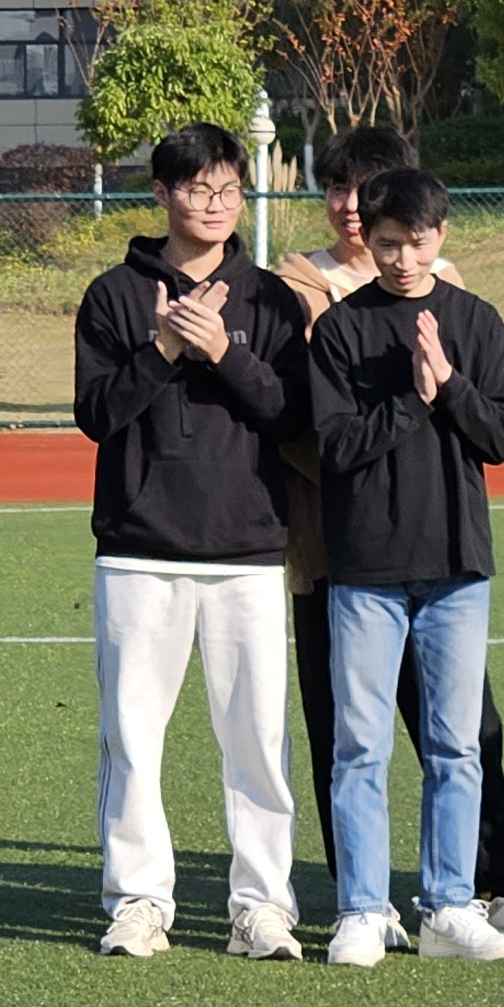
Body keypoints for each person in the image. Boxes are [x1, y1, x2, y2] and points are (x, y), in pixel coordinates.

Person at [277, 126, 504, 943]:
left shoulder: (474, 321)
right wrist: (413, 399)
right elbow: (334, 446)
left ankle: (454, 904)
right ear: (367, 240)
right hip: (361, 567)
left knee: (458, 746)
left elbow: (503, 437)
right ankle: (362, 909)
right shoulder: (340, 330)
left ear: (441, 234)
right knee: (358, 747)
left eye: (415, 241)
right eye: (386, 243)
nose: (402, 257)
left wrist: (450, 387)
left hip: (456, 563)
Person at [71, 118, 309, 963]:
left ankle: (262, 907)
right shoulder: (113, 295)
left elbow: (292, 415)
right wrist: (166, 347)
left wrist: (224, 355)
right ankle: (139, 900)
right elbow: (97, 414)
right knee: (132, 739)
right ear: (164, 193)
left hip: (248, 550)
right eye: (199, 188)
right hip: (139, 548)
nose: (215, 204)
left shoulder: (270, 299)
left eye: (229, 189)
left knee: (258, 743)